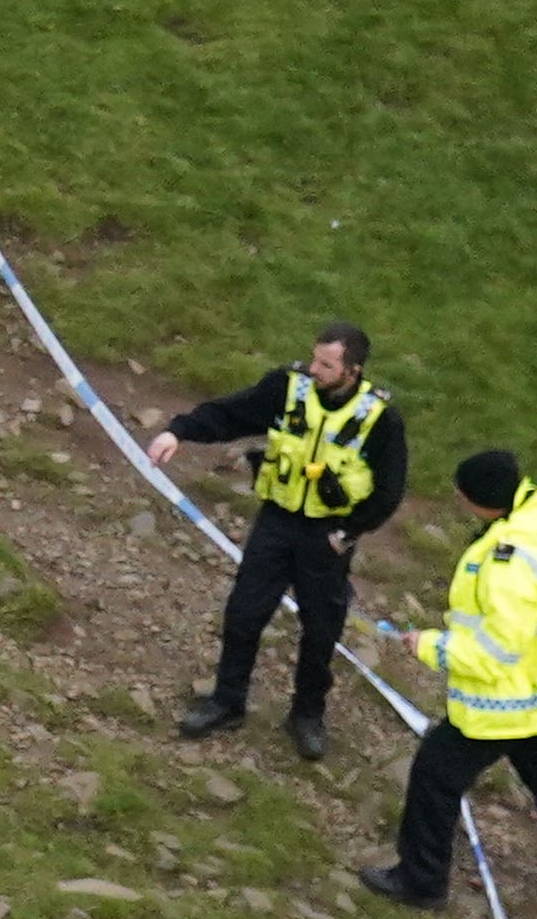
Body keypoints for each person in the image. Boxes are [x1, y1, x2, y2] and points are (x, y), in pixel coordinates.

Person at [363, 448, 537, 919]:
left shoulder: (506, 566)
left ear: (481, 502)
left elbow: (494, 654)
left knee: (436, 774)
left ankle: (421, 879)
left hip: (506, 702)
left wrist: (428, 646)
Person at [139, 321, 400, 760]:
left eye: (327, 364)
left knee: (321, 631)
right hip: (277, 521)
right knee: (244, 612)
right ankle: (227, 701)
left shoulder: (380, 420)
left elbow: (389, 489)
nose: (315, 369)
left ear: (352, 370)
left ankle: (307, 715)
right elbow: (232, 414)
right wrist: (178, 431)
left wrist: (347, 532)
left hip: (327, 537)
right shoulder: (287, 388)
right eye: (315, 358)